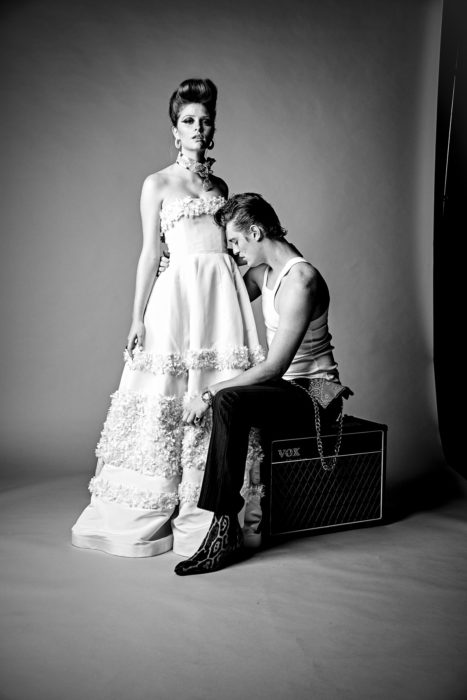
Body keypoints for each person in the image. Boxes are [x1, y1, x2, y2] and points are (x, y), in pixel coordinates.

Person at [71, 80, 265, 558]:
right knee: (165, 395)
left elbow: (229, 251)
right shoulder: (156, 184)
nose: (198, 128)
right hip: (177, 298)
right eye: (188, 121)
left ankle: (207, 512)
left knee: (215, 393)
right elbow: (150, 253)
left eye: (205, 121)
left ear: (212, 129)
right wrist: (136, 317)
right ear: (175, 130)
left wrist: (256, 283)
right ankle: (147, 504)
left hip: (219, 300)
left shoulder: (220, 188)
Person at [174, 192, 351, 575]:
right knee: (230, 400)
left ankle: (223, 530)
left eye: (235, 242)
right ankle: (223, 527)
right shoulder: (263, 273)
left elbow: (273, 367)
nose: (234, 251)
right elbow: (223, 302)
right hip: (286, 388)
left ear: (256, 232)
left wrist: (208, 393)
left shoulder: (301, 281)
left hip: (317, 394)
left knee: (228, 400)